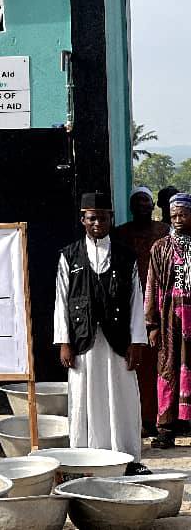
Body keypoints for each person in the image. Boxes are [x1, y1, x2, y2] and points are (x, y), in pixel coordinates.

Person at [54, 191, 147, 472]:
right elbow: (62, 300)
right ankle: (84, 460)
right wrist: (64, 342)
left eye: (103, 217)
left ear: (111, 219)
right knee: (85, 398)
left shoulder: (125, 256)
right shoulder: (69, 256)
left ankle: (126, 459)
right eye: (92, 218)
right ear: (83, 220)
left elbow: (135, 301)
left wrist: (137, 341)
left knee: (122, 398)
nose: (98, 223)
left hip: (118, 340)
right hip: (83, 342)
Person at [114, 186, 170, 435]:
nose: (142, 206)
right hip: (130, 302)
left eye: (146, 201)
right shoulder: (121, 234)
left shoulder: (164, 231)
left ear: (152, 205)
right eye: (137, 202)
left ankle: (161, 418)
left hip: (161, 302)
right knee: (136, 363)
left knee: (161, 361)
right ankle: (139, 419)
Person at [146, 192, 191, 449]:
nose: (178, 220)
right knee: (168, 371)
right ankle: (165, 430)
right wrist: (151, 325)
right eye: (173, 215)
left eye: (183, 214)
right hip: (169, 320)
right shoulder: (160, 247)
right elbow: (151, 286)